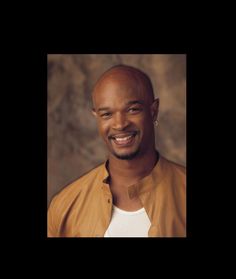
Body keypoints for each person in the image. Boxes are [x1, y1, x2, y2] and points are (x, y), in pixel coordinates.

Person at [47, 64, 186, 237]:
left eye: (132, 110)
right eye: (107, 114)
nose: (120, 124)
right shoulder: (64, 207)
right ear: (96, 117)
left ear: (153, 111)